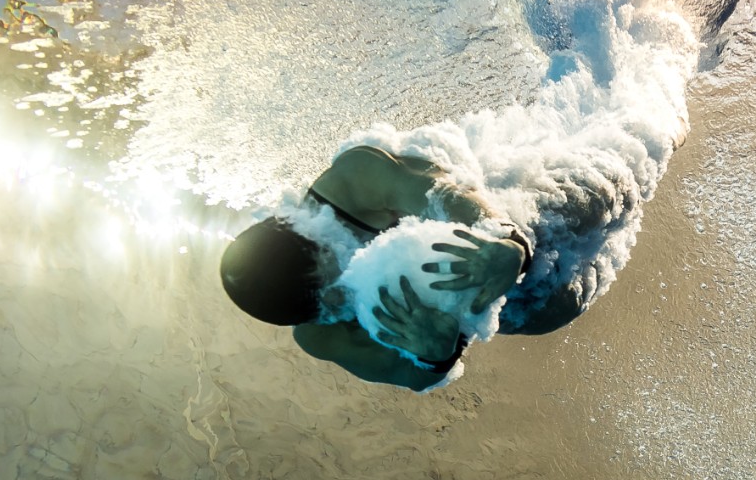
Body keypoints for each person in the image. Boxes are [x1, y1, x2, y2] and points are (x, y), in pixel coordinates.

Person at [220, 145, 580, 391]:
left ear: (314, 240)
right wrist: (435, 354)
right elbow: (410, 376)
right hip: (488, 304)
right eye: (329, 309)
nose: (346, 296)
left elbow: (447, 195)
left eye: (332, 281)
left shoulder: (353, 182)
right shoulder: (320, 335)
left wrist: (510, 244)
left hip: (501, 200)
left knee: (593, 195)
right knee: (552, 309)